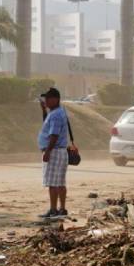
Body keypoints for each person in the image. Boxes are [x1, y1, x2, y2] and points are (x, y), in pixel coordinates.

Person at [37, 87, 74, 219]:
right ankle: (62, 209)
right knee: (60, 182)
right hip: (59, 151)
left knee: (53, 183)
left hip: (54, 151)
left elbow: (54, 135)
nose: (46, 101)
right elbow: (49, 127)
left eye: (48, 98)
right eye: (45, 98)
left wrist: (47, 151)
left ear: (56, 99)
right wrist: (44, 110)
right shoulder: (57, 112)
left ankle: (53, 209)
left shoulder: (56, 115)